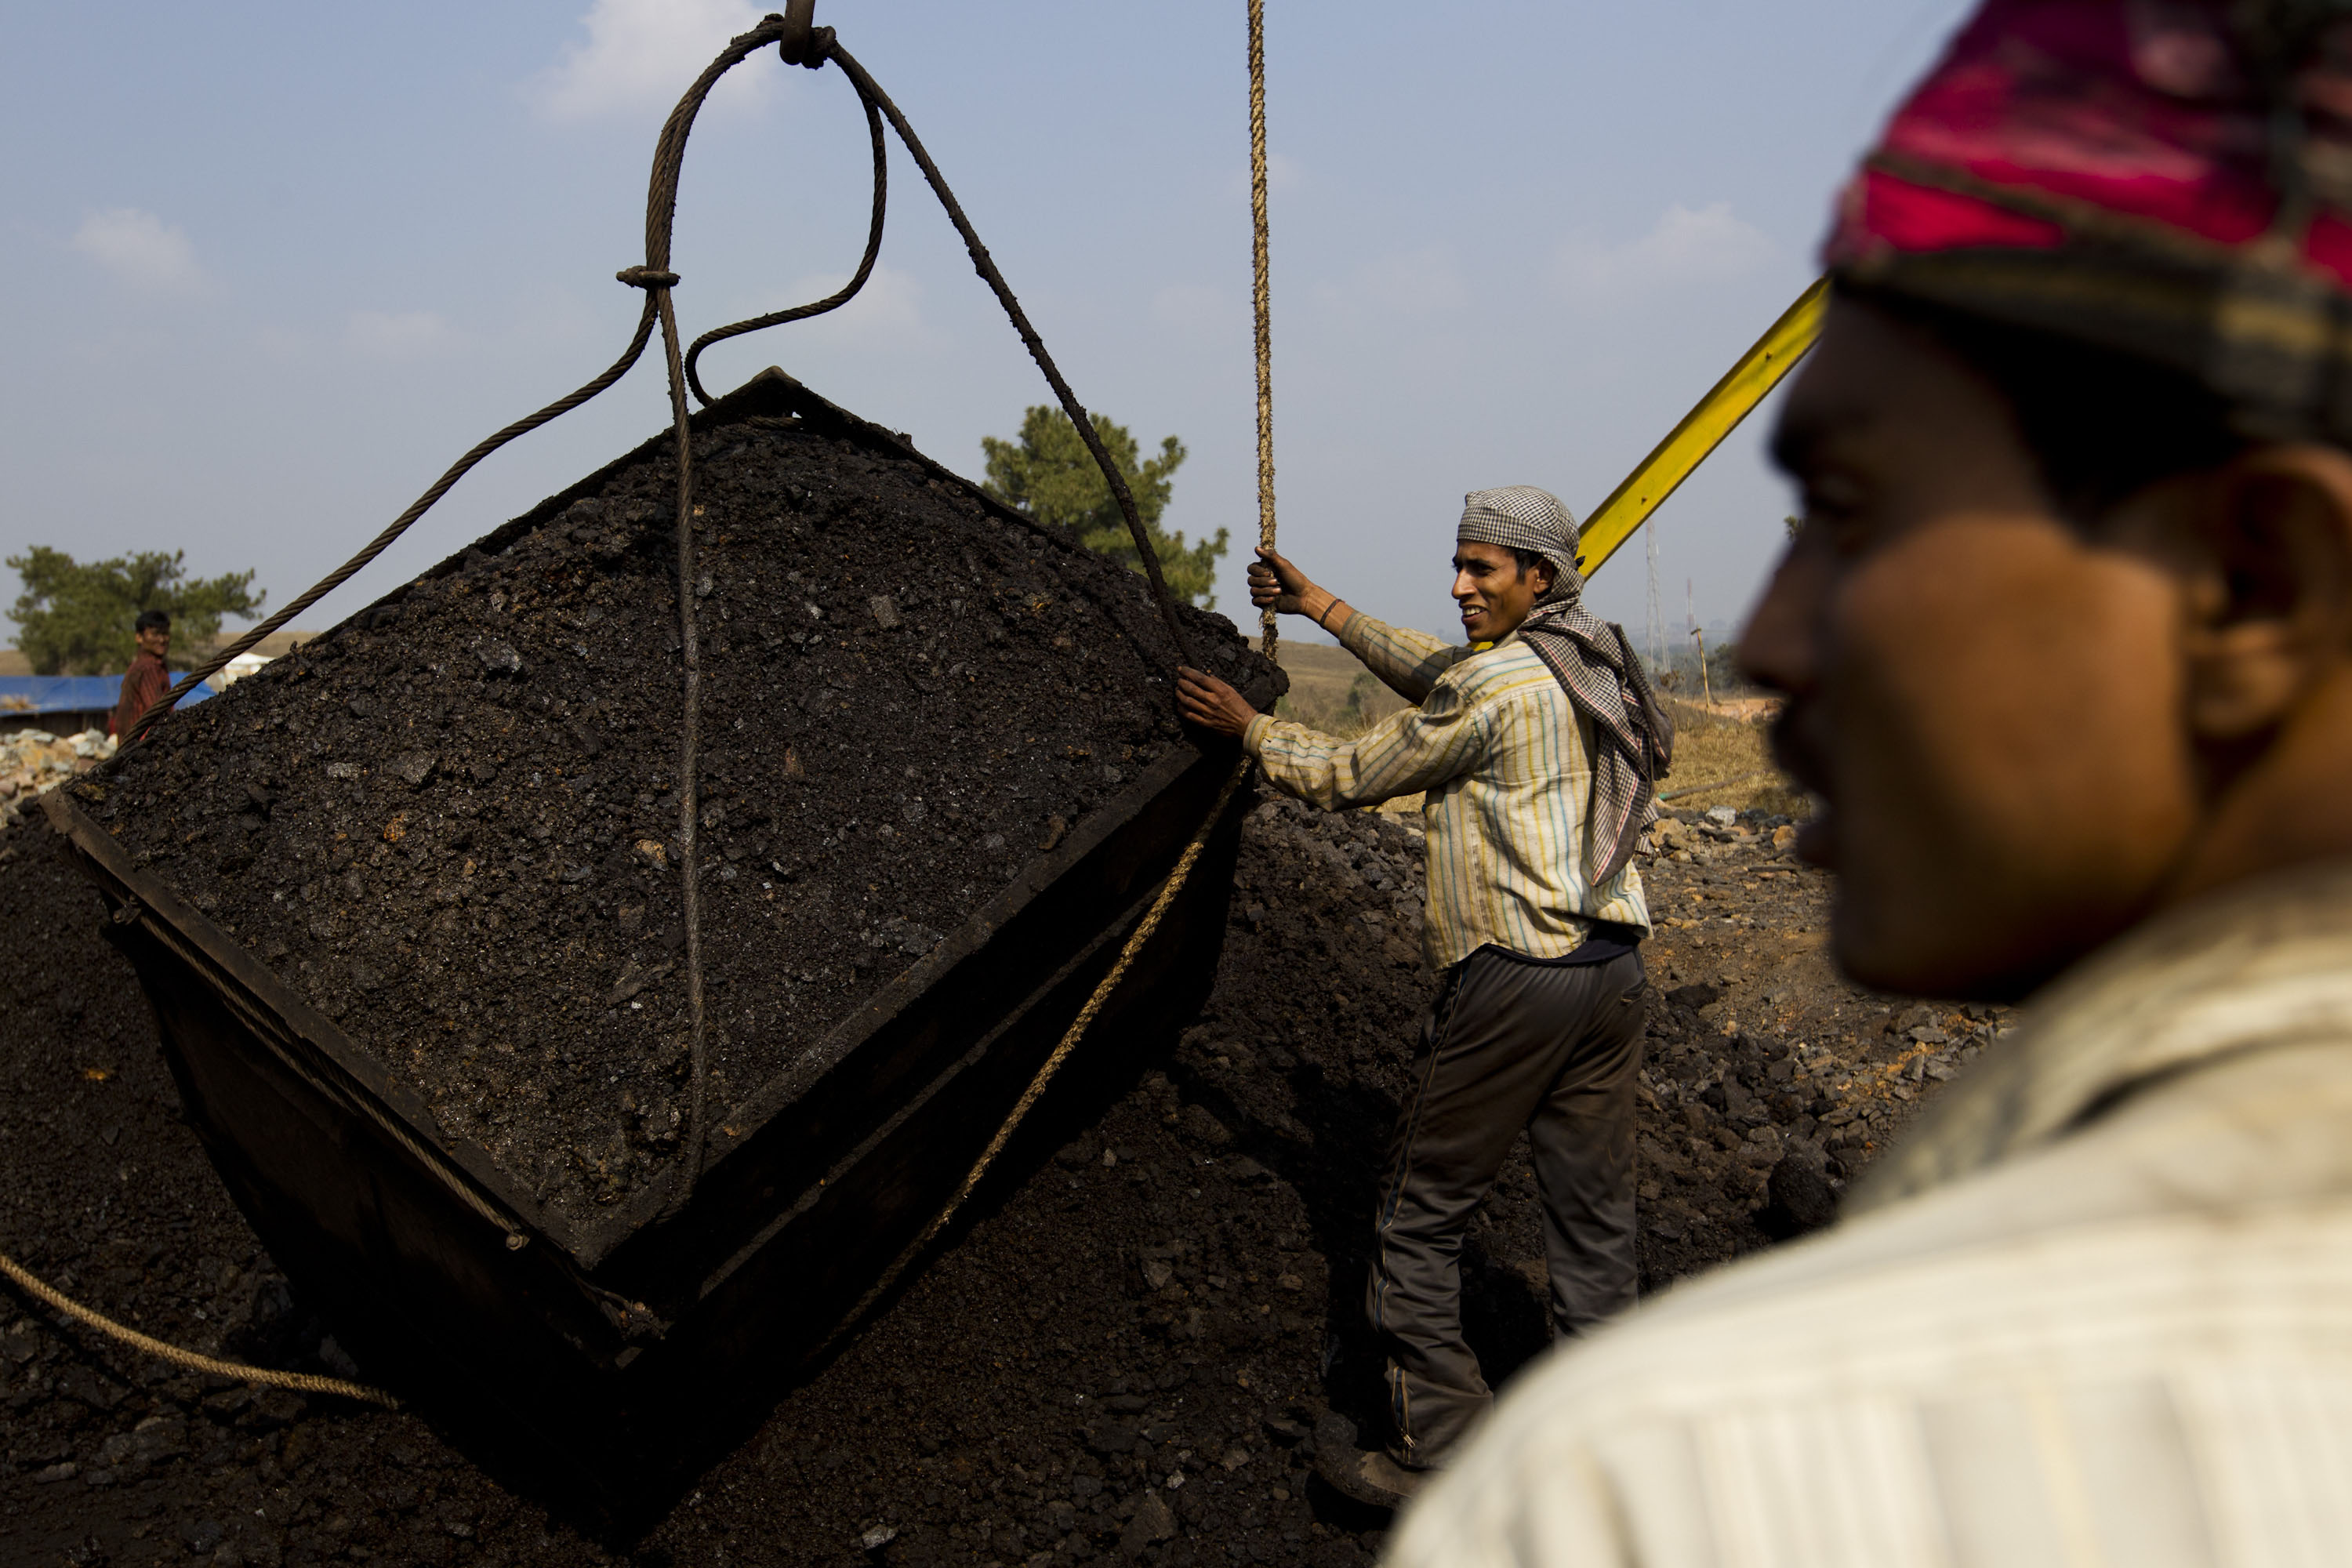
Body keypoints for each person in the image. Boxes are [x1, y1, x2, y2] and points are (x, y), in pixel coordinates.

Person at [1385, 2, 2352, 1562]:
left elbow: (1386, 754)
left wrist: (1261, 730)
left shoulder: (1662, 1487)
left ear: (2254, 587)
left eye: (1852, 509)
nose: (1772, 641)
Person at [1175, 487, 1671, 1508]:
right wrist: (1322, 606)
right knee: (1592, 1223)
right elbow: (1440, 673)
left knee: (1415, 1220)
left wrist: (1253, 729)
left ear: (1539, 577)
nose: (1458, 586)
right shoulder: (1586, 658)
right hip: (1612, 974)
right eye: (1457, 565)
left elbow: (1358, 770)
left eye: (1481, 569)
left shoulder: (1498, 692)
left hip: (1518, 979)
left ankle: (1442, 1453)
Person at [109, 609, 172, 742]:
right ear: (139, 637)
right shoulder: (148, 668)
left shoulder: (142, 666)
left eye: (165, 634)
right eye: (155, 634)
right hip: (142, 746)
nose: (161, 640)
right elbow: (157, 712)